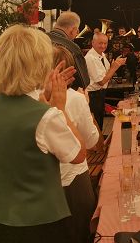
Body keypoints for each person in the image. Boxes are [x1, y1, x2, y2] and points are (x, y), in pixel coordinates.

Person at [0, 25, 86, 243]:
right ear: (40, 65)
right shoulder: (45, 116)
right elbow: (79, 154)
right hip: (37, 222)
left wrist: (44, 95)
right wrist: (60, 108)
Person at [52, 46, 100, 243]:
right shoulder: (76, 99)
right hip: (73, 179)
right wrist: (86, 107)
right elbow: (92, 141)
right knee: (80, 233)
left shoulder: (33, 97)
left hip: (45, 185)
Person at [84, 32, 126, 129]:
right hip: (93, 96)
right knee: (96, 125)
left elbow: (106, 74)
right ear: (93, 43)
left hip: (101, 93)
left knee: (100, 123)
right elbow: (101, 81)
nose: (103, 46)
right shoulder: (90, 58)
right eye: (100, 43)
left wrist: (115, 64)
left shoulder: (102, 55)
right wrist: (114, 67)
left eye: (105, 43)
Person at [48, 11, 90, 90]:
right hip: (60, 93)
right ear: (74, 30)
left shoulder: (38, 40)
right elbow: (84, 82)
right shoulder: (72, 47)